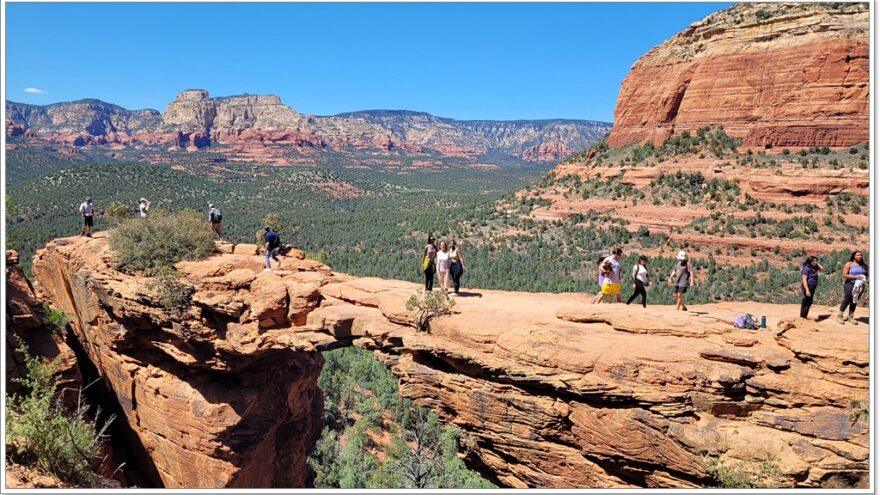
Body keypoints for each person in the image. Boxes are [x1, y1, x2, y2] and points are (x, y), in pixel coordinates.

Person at [836, 250, 868, 325]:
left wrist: (863, 278)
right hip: (850, 284)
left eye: (861, 255)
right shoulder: (849, 264)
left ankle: (850, 316)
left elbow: (866, 275)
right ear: (854, 256)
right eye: (857, 255)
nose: (860, 256)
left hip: (860, 285)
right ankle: (839, 316)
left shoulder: (863, 266)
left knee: (855, 300)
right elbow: (844, 275)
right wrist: (856, 277)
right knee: (847, 299)